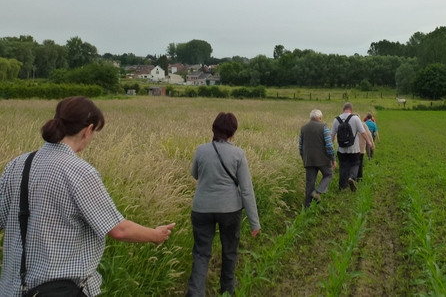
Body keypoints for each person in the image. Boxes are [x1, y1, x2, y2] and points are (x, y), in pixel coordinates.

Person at [0, 96, 175, 297]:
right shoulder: (80, 172)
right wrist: (156, 235)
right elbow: (119, 230)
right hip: (62, 291)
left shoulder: (18, 164)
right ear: (88, 130)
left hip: (12, 290)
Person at [187, 112, 260, 297]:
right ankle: (227, 291)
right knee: (229, 251)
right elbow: (246, 190)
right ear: (232, 132)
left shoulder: (201, 150)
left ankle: (195, 293)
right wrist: (254, 222)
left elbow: (195, 174)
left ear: (214, 128)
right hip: (230, 210)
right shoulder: (238, 154)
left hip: (201, 208)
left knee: (201, 254)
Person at [331, 102, 374, 192]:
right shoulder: (355, 118)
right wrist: (369, 142)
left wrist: (330, 147)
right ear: (351, 110)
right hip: (354, 148)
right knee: (355, 163)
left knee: (343, 166)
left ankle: (343, 186)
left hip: (341, 149)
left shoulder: (336, 119)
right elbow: (363, 132)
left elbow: (332, 135)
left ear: (343, 109)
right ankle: (351, 177)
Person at [299, 109, 336, 208]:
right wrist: (333, 158)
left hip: (309, 159)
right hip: (323, 159)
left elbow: (300, 147)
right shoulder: (324, 127)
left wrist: (304, 157)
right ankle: (318, 191)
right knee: (329, 174)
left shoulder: (303, 128)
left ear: (310, 118)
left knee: (309, 183)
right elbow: (329, 145)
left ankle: (307, 207)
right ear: (320, 117)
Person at [356, 114, 375, 181]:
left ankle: (352, 177)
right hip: (361, 148)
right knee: (360, 163)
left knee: (352, 163)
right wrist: (372, 144)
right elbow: (369, 134)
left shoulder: (350, 124)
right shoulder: (363, 124)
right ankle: (359, 178)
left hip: (352, 149)